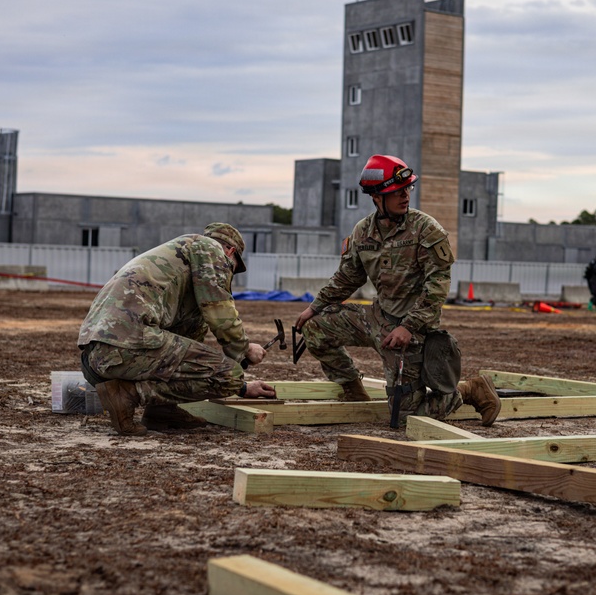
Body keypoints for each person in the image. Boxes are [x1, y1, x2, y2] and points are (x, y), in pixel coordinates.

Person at [294, 155, 501, 427]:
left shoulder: (425, 229)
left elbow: (437, 286)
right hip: (377, 319)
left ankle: (470, 390)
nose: (405, 195)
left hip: (412, 331)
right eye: (397, 191)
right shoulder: (363, 232)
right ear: (376, 197)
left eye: (407, 188)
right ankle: (353, 390)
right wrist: (314, 308)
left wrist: (409, 327)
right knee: (315, 328)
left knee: (404, 418)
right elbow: (347, 277)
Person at [78, 222, 275, 436]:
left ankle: (163, 411)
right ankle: (127, 395)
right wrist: (244, 350)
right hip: (126, 347)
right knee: (231, 376)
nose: (229, 273)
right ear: (230, 251)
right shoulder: (210, 249)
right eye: (233, 268)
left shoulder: (179, 255)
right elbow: (219, 310)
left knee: (196, 324)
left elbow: (189, 336)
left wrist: (244, 386)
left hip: (96, 358)